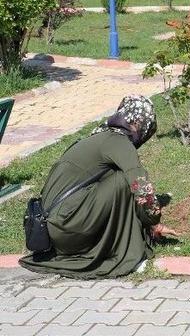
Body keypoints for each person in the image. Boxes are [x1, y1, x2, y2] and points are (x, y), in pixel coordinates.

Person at [19, 95, 178, 279]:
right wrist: (153, 220)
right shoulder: (117, 141)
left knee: (121, 179)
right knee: (125, 180)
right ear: (138, 123)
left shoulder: (100, 137)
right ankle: (127, 254)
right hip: (68, 228)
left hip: (55, 231)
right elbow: (140, 184)